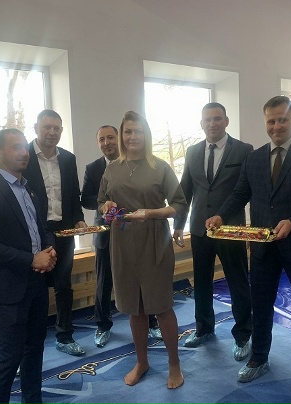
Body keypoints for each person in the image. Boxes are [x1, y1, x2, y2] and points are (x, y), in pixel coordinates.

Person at [206, 96, 291, 394]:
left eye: (282, 120)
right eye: (271, 121)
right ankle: (259, 358)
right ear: (265, 122)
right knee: (261, 305)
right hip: (263, 247)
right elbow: (240, 194)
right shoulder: (255, 158)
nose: (277, 126)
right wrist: (220, 215)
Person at [0, 128, 57, 404]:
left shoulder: (29, 189)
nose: (24, 152)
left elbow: (41, 228)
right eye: (15, 147)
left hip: (37, 282)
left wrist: (49, 249)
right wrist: (31, 259)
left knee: (35, 349)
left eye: (24, 147)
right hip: (9, 286)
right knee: (10, 355)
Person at [98, 111, 187, 389]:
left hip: (154, 242)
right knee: (134, 308)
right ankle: (142, 362)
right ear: (122, 135)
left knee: (161, 306)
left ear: (146, 134)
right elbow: (102, 201)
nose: (132, 136)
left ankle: (174, 365)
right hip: (122, 243)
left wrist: (150, 213)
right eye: (128, 131)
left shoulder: (160, 167)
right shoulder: (112, 169)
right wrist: (106, 206)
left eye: (138, 131)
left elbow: (179, 204)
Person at [173, 102, 253, 361]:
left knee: (238, 282)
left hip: (230, 230)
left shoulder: (243, 150)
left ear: (226, 121)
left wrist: (230, 220)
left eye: (217, 118)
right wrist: (178, 224)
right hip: (199, 229)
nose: (212, 123)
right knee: (202, 281)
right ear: (201, 123)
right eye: (207, 119)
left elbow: (246, 190)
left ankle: (243, 335)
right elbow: (185, 190)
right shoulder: (193, 151)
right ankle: (204, 328)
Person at [81, 125, 162, 348]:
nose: (106, 142)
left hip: (137, 232)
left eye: (110, 137)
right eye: (101, 139)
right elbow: (86, 199)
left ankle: (152, 322)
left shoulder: (136, 163)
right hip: (107, 233)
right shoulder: (93, 168)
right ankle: (102, 326)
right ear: (98, 143)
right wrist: (104, 205)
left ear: (119, 139)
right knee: (103, 281)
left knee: (143, 279)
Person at [23, 109, 87, 356]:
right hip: (34, 232)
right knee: (33, 288)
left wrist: (79, 219)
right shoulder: (24, 156)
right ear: (36, 128)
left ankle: (65, 336)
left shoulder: (68, 159)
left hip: (64, 231)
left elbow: (73, 195)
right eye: (47, 127)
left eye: (56, 128)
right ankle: (29, 342)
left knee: (63, 285)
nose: (52, 132)